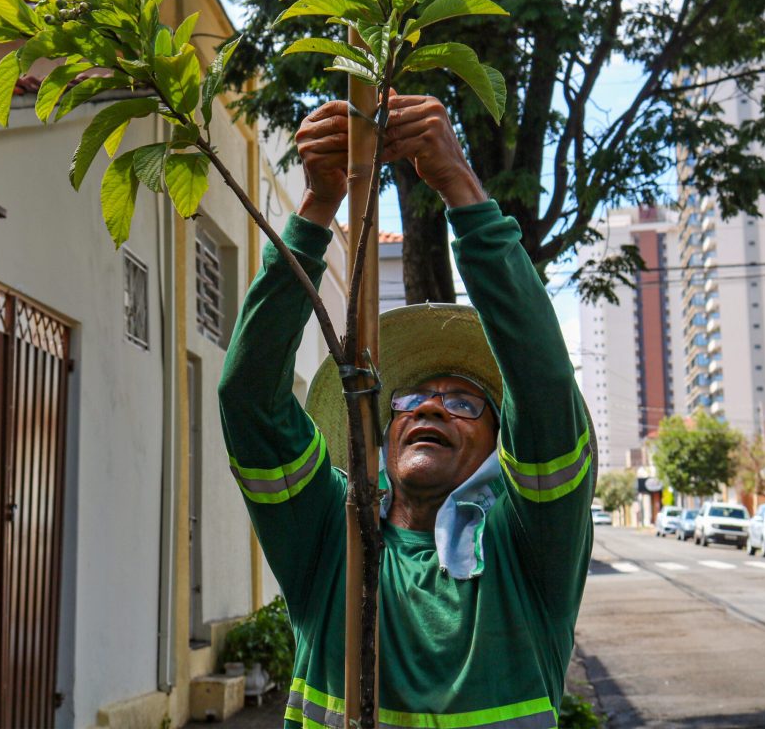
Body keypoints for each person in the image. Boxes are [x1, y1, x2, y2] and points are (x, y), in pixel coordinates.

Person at [218, 95, 595, 729]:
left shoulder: (527, 550)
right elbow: (248, 397)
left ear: (503, 446)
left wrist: (458, 184)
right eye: (412, 399)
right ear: (386, 430)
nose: (432, 410)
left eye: (464, 402)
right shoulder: (331, 538)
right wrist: (315, 209)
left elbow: (544, 382)